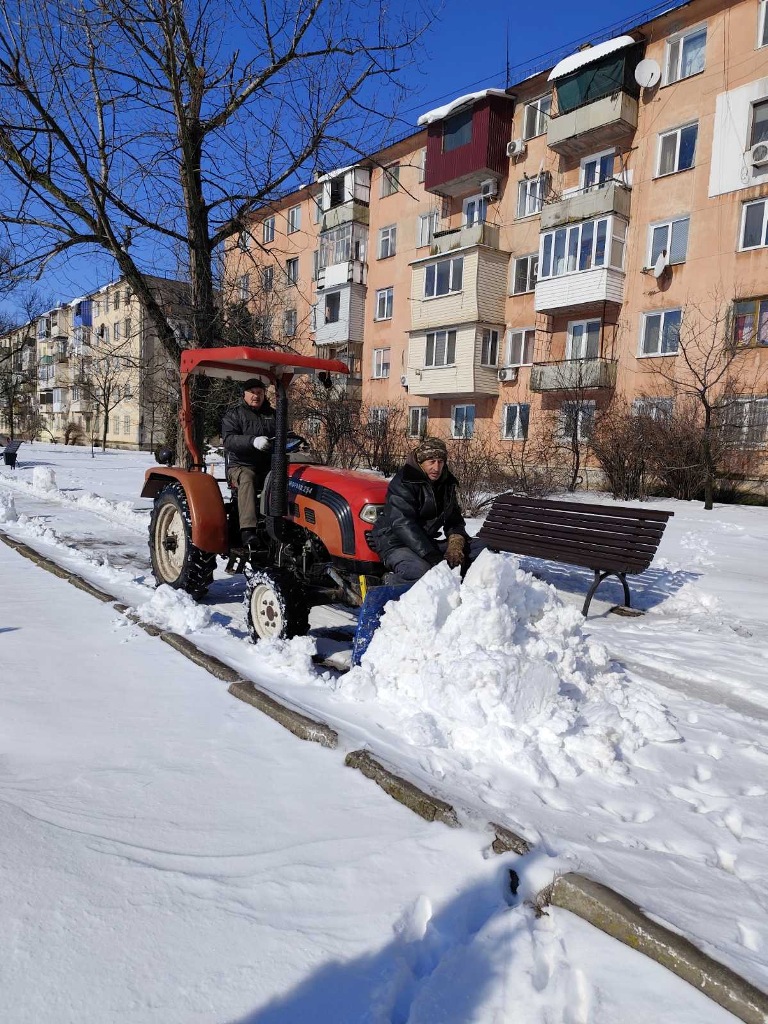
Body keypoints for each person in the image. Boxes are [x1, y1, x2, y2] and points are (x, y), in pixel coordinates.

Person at [370, 436, 475, 585]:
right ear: (421, 462)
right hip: (395, 541)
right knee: (424, 573)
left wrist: (456, 544)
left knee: (480, 549)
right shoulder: (404, 481)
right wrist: (431, 555)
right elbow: (402, 523)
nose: (436, 468)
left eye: (440, 462)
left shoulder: (446, 483)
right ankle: (388, 583)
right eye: (431, 462)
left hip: (425, 541)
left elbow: (454, 519)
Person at [221, 377, 276, 548]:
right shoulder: (234, 414)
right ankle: (247, 531)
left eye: (259, 392)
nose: (256, 396)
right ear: (244, 394)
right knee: (248, 478)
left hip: (267, 466)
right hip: (240, 465)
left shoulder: (273, 415)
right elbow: (229, 440)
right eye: (252, 392)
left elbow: (285, 433)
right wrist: (252, 441)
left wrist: (298, 441)